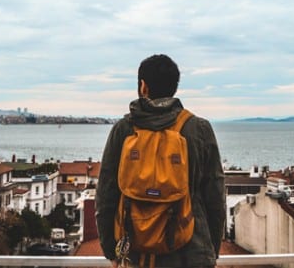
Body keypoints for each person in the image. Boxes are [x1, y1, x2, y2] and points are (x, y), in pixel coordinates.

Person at [96, 54, 226, 268]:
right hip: (191, 251)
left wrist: (112, 251)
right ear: (174, 87)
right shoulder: (198, 128)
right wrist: (211, 250)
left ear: (143, 86)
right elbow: (215, 197)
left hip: (135, 253)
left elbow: (106, 195)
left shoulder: (124, 129)